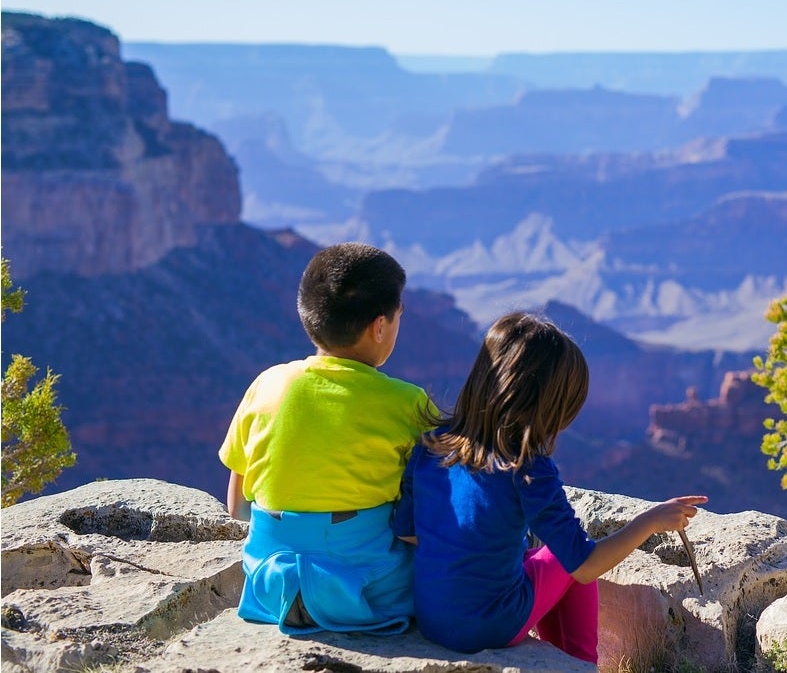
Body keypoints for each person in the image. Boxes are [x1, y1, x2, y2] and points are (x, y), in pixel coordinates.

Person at [393, 311, 706, 664]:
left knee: (537, 557)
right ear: (549, 404)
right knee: (567, 554)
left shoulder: (432, 445)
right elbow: (584, 565)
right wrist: (650, 521)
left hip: (432, 619)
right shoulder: (527, 468)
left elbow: (408, 533)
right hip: (489, 626)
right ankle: (581, 663)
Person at [219, 242, 435, 635]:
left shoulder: (267, 384)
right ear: (380, 326)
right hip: (371, 594)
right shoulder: (409, 403)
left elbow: (236, 505)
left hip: (272, 589)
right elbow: (435, 509)